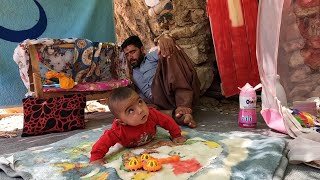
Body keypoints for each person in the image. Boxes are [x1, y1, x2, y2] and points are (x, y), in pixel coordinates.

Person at [90, 87, 186, 165]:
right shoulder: (118, 130)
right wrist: (96, 157)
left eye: (140, 102)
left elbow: (167, 121)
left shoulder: (152, 114)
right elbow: (102, 143)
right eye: (131, 110)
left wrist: (176, 135)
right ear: (122, 121)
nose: (140, 110)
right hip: (129, 145)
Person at [121, 35, 200, 128]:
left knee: (169, 51)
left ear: (142, 49)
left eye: (133, 52)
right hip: (155, 103)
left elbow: (166, 51)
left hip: (166, 90)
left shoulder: (151, 57)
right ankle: (180, 116)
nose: (130, 57)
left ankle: (183, 105)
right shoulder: (130, 73)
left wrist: (165, 39)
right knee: (141, 112)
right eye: (127, 54)